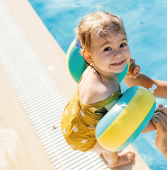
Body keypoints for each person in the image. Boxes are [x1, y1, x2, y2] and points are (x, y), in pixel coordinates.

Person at [60, 11, 153, 168]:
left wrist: (128, 70)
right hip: (83, 137)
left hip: (72, 120)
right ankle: (114, 163)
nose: (118, 54)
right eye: (107, 49)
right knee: (111, 147)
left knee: (103, 141)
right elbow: (125, 122)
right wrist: (155, 121)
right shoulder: (103, 91)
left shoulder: (93, 68)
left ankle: (101, 150)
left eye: (122, 45)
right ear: (88, 56)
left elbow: (116, 70)